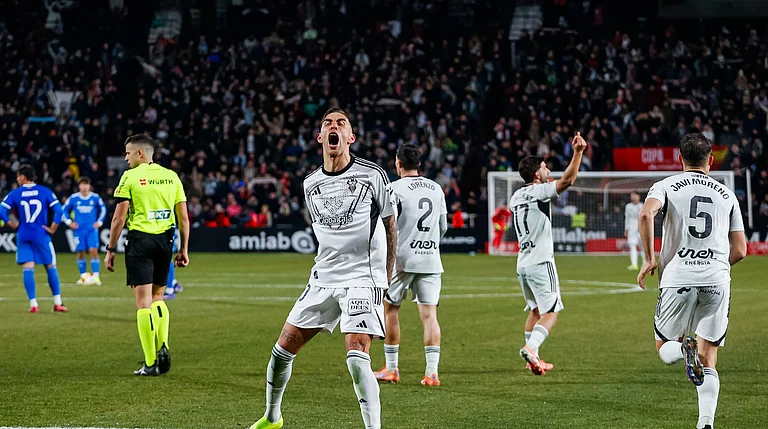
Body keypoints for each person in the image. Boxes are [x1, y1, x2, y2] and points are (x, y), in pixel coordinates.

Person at [250, 108, 397, 429]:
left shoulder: (373, 175)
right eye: (328, 124)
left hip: (362, 278)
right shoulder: (310, 183)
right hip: (323, 278)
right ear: (320, 137)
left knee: (357, 357)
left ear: (350, 138)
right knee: (280, 352)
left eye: (341, 124)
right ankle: (272, 418)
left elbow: (390, 225)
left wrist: (387, 274)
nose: (334, 128)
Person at [637, 133, 747, 429]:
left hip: (678, 276)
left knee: (663, 346)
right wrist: (716, 266)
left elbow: (646, 214)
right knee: (708, 356)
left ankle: (683, 349)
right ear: (710, 160)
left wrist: (649, 259)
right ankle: (706, 424)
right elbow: (740, 250)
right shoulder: (727, 194)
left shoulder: (666, 185)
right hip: (716, 279)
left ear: (679, 158)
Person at [104, 134, 190, 376]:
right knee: (158, 298)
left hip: (140, 241)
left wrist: (110, 250)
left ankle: (151, 363)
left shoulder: (130, 177)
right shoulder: (171, 176)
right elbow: (183, 218)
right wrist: (183, 249)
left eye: (128, 153)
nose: (126, 158)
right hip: (165, 241)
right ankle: (163, 346)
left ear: (140, 153)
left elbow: (119, 218)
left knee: (143, 303)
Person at [510, 132, 587, 375]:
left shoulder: (516, 196)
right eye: (544, 167)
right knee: (551, 312)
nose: (547, 169)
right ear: (536, 174)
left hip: (523, 263)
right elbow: (568, 181)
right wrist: (578, 153)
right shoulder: (538, 191)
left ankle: (532, 358)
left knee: (534, 310)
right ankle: (532, 349)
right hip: (541, 262)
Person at [374, 143, 448, 386]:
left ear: (398, 163)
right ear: (419, 163)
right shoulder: (436, 188)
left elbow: (388, 226)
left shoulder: (393, 189)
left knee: (391, 309)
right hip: (430, 259)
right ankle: (432, 373)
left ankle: (392, 369)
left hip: (402, 259)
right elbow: (443, 227)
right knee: (430, 316)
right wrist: (429, 244)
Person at [0, 164, 67, 313]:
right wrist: (53, 228)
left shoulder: (16, 193)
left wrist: (12, 225)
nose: (17, 179)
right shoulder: (44, 191)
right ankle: (57, 302)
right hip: (40, 233)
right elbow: (58, 211)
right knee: (50, 266)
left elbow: (1, 210)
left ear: (23, 177)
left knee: (28, 268)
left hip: (23, 233)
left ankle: (33, 304)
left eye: (18, 176)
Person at [61, 176, 107, 285]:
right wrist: (69, 222)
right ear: (79, 186)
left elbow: (103, 209)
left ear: (89, 186)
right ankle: (83, 277)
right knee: (81, 252)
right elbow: (63, 210)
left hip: (91, 229)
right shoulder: (74, 198)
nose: (85, 187)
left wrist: (99, 222)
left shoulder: (95, 198)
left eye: (87, 184)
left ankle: (96, 276)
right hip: (79, 229)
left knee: (93, 251)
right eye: (82, 184)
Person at [624, 191, 644, 270]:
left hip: (641, 228)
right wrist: (626, 229)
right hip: (631, 229)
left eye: (635, 195)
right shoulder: (628, 206)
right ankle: (634, 264)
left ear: (639, 196)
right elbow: (627, 218)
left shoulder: (642, 206)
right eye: (632, 196)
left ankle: (645, 263)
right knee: (632, 246)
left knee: (643, 247)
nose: (633, 197)